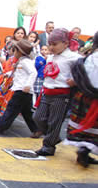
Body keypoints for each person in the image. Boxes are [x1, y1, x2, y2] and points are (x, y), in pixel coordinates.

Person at [33, 28, 82, 156]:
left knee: (54, 121)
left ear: (65, 44)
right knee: (38, 117)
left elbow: (84, 69)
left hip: (61, 95)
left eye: (54, 44)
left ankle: (48, 147)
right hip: (46, 92)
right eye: (50, 44)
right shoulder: (51, 57)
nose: (51, 47)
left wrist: (75, 80)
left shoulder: (73, 57)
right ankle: (54, 137)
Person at [0, 40, 40, 137]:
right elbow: (18, 74)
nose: (13, 53)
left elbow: (33, 73)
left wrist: (28, 85)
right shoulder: (21, 61)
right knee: (27, 112)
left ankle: (2, 125)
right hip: (23, 91)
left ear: (20, 52)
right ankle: (36, 129)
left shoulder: (25, 62)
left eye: (15, 51)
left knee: (11, 108)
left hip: (22, 90)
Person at [64, 32, 98, 167]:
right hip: (94, 98)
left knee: (85, 127)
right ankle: (85, 150)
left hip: (84, 96)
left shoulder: (88, 58)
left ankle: (84, 150)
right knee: (93, 128)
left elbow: (81, 77)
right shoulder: (89, 59)